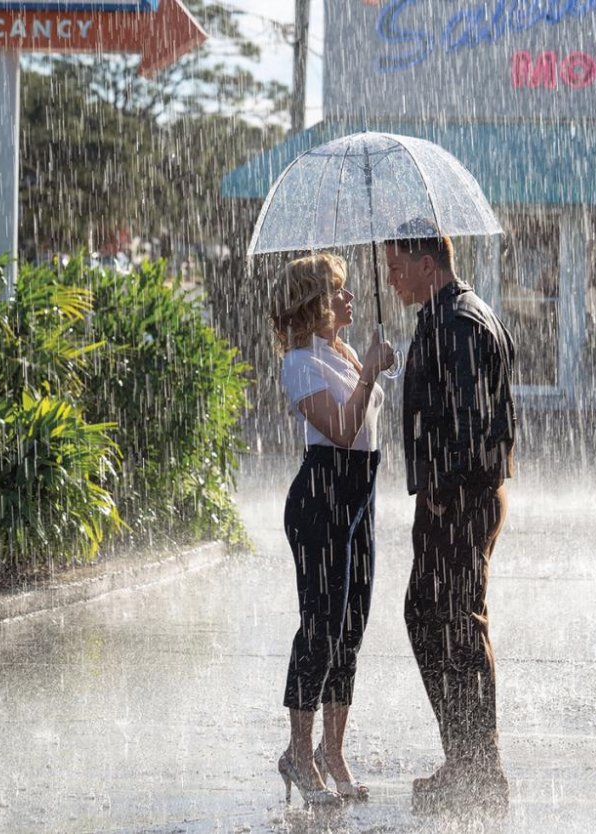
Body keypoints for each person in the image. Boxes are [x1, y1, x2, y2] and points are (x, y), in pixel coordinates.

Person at [383, 226, 517, 815]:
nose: (390, 277)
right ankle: (467, 760)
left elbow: (472, 416)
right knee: (440, 617)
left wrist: (443, 486)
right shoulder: (450, 315)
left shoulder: (458, 322)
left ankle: (477, 769)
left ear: (424, 258)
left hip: (458, 498)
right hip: (457, 496)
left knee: (453, 623)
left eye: (395, 265)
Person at [269, 253, 394, 808]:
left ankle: (332, 750)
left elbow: (367, 425)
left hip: (359, 501)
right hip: (321, 500)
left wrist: (371, 368)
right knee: (320, 625)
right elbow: (343, 432)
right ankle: (297, 753)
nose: (349, 300)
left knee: (351, 627)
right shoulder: (299, 362)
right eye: (338, 293)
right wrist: (368, 373)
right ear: (313, 304)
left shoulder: (340, 351)